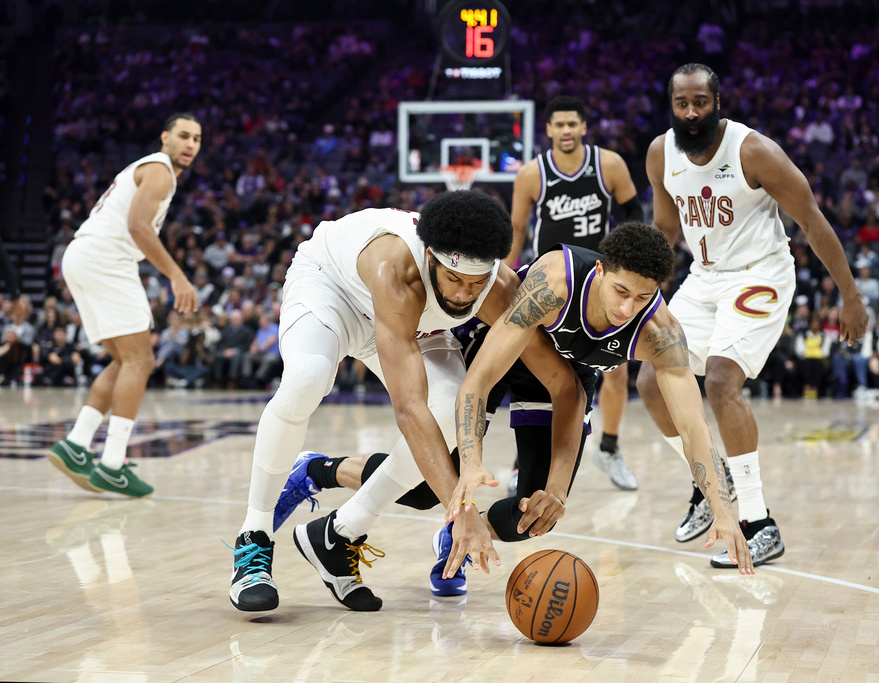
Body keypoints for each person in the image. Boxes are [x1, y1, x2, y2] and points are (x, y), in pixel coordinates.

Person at [229, 191, 584, 613]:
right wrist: (463, 510)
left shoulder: (498, 288)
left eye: (476, 283)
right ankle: (254, 537)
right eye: (454, 280)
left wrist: (558, 487)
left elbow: (564, 383)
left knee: (453, 402)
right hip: (334, 291)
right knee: (306, 379)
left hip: (410, 324)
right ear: (432, 257)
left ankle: (341, 533)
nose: (464, 295)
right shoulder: (396, 267)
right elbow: (408, 409)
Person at [639, 64, 868, 567]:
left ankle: (759, 521)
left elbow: (810, 218)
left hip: (760, 274)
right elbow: (664, 227)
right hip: (704, 277)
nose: (692, 112)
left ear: (718, 101)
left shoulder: (753, 151)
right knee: (653, 381)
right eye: (682, 103)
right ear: (671, 105)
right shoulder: (661, 153)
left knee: (721, 380)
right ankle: (710, 482)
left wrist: (850, 296)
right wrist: (642, 289)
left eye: (701, 101)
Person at [445, 222, 754, 580]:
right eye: (620, 291)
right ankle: (373, 487)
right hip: (502, 347)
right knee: (428, 486)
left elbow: (693, 428)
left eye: (641, 298)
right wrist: (471, 463)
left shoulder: (660, 335)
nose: (626, 309)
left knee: (535, 515)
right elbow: (478, 381)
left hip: (564, 381)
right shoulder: (555, 283)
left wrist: (724, 510)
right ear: (600, 270)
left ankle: (459, 536)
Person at [47, 113, 202, 497]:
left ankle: (77, 444)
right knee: (141, 361)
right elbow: (138, 226)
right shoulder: (160, 170)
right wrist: (177, 275)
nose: (191, 144)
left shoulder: (153, 170)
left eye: (197, 139)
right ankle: (113, 464)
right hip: (105, 259)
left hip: (82, 256)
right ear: (165, 137)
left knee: (123, 361)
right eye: (183, 136)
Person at [505, 95, 646, 491]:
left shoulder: (609, 165)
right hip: (551, 287)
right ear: (548, 129)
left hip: (601, 286)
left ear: (584, 127)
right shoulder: (532, 174)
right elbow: (517, 230)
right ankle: (524, 460)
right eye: (559, 125)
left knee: (615, 374)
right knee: (539, 372)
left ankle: (610, 448)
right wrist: (503, 278)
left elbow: (636, 217)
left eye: (573, 124)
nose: (566, 131)